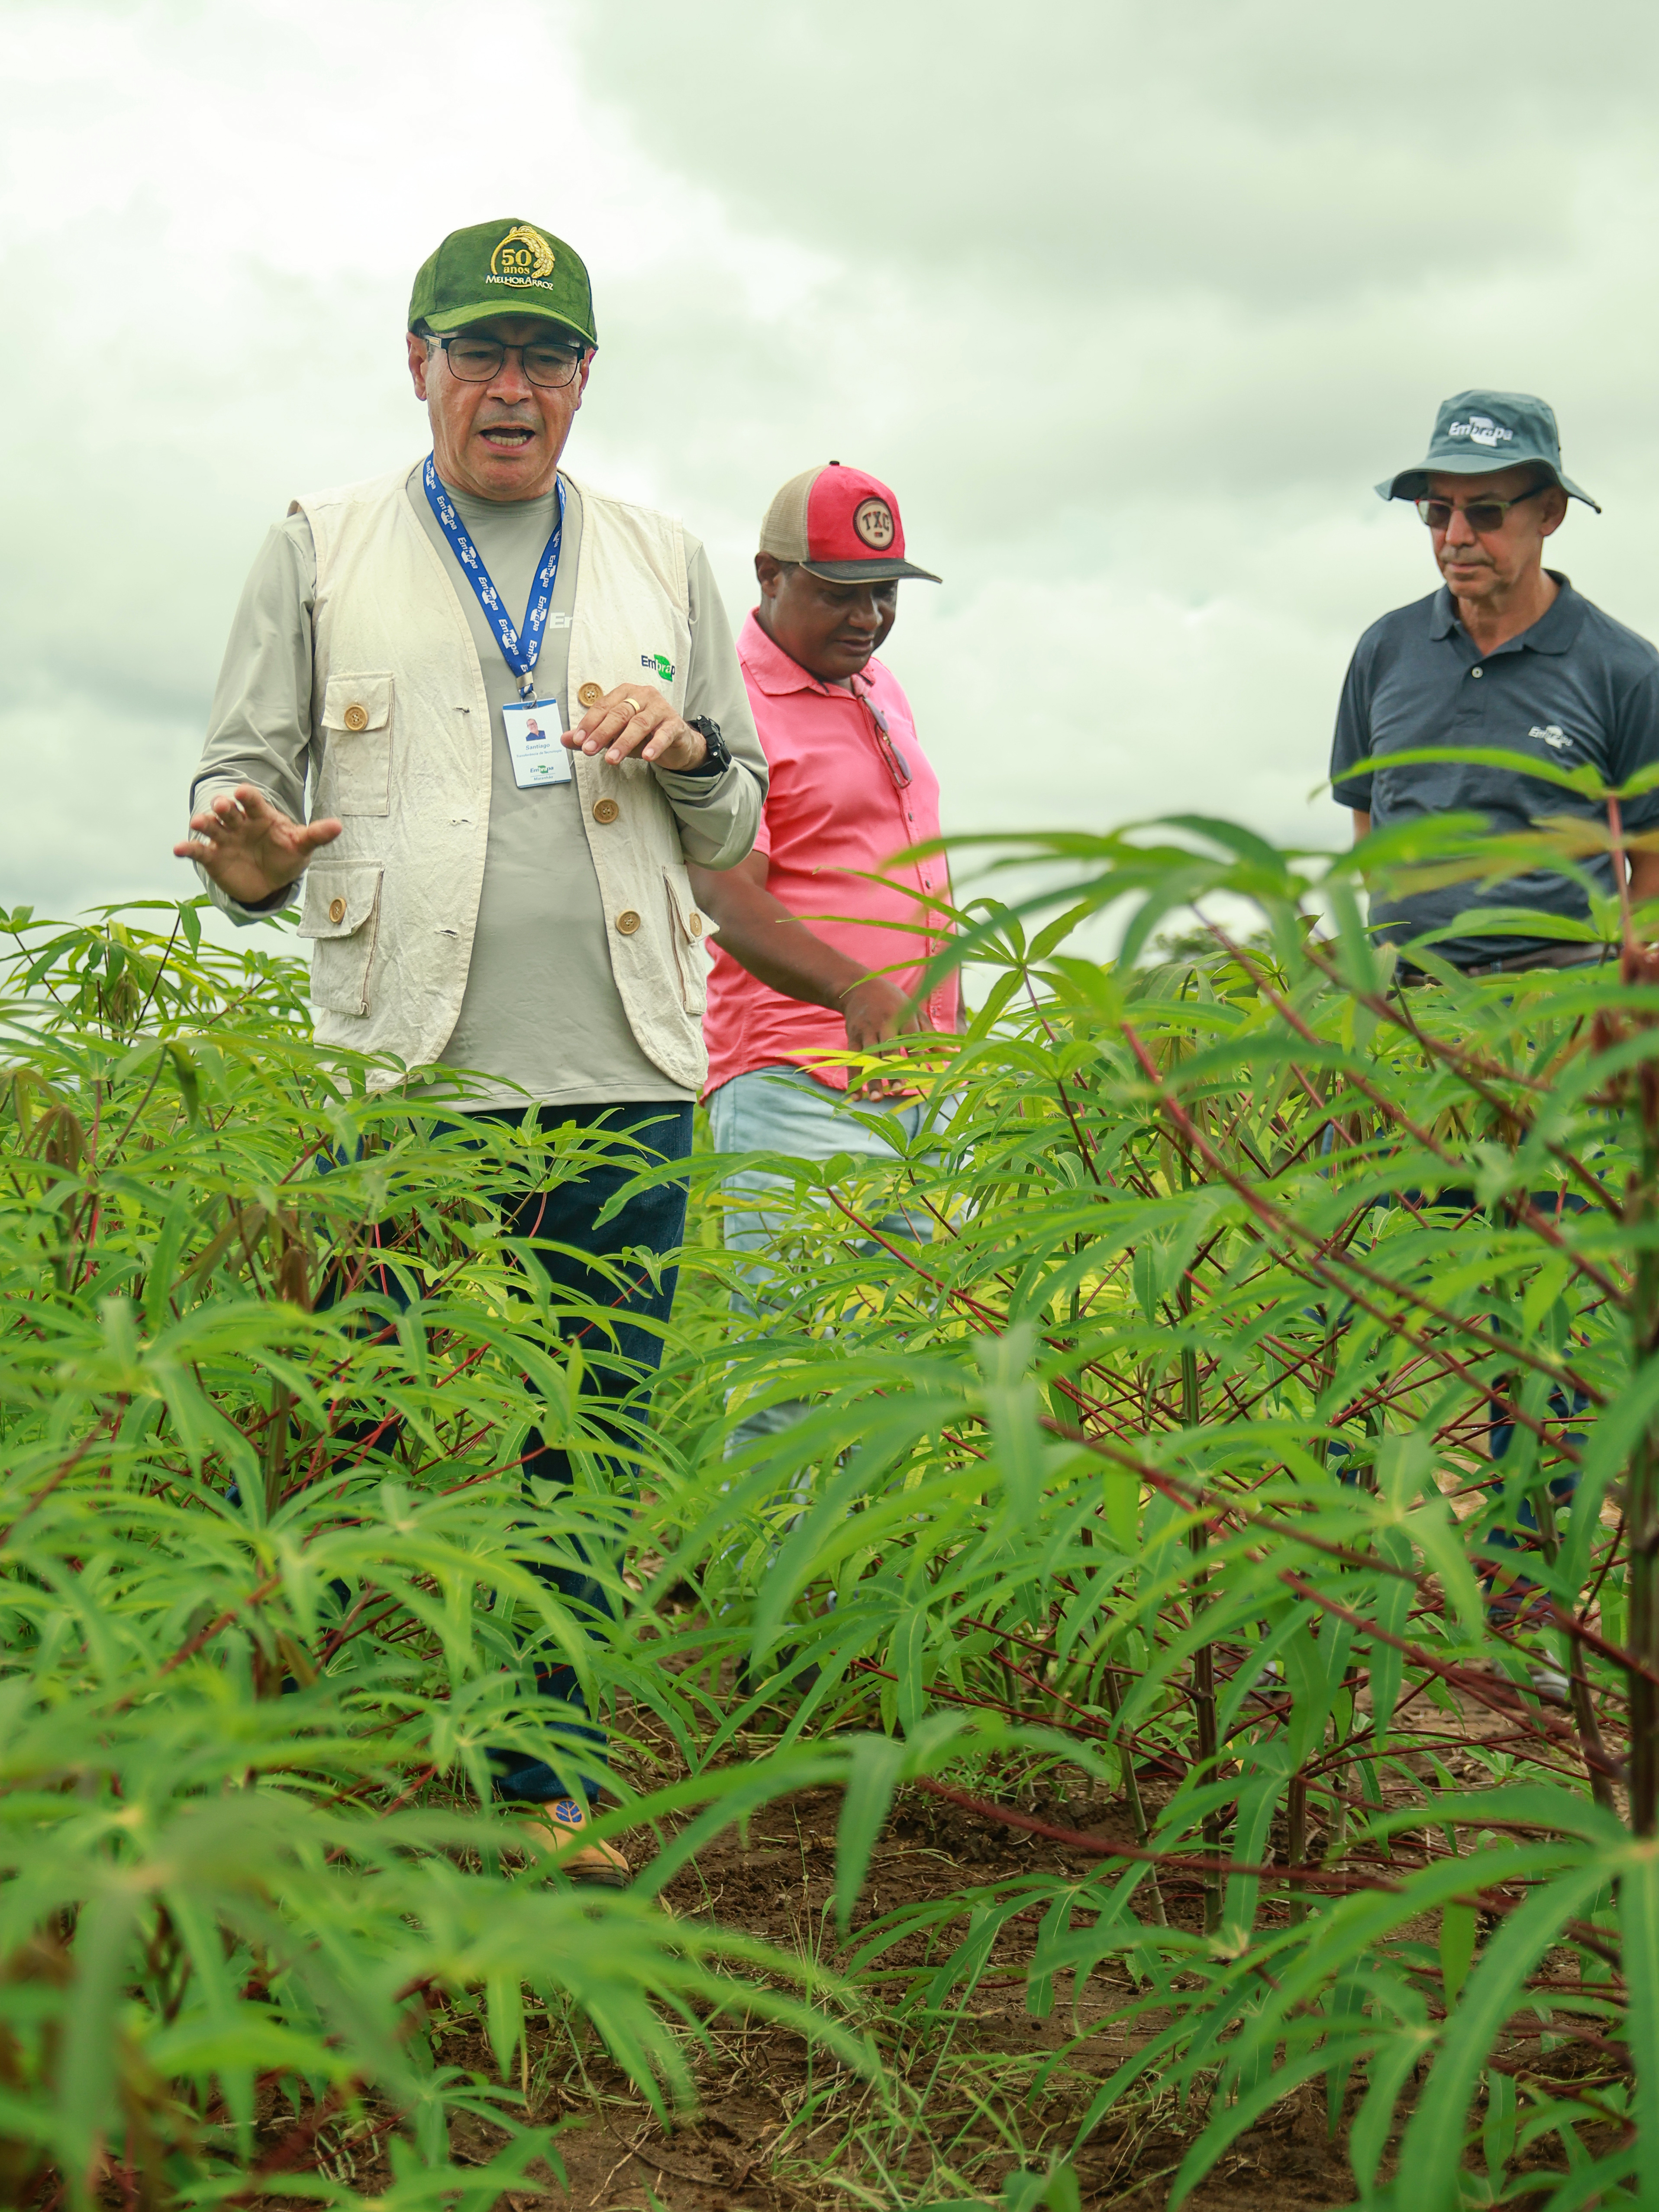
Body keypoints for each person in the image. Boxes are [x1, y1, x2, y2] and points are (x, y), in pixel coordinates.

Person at [175, 216, 766, 1882]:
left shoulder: (663, 560)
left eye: (547, 357)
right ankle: (335, 1747)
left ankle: (534, 1767)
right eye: (481, 351)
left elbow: (735, 825)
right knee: (361, 1405)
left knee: (587, 1427)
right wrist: (242, 862)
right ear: (416, 360)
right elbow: (236, 789)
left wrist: (695, 744)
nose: (513, 387)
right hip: (403, 1074)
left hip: (627, 1068)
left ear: (586, 381)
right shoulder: (319, 546)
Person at [689, 462, 957, 1462]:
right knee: (794, 1379)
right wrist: (851, 983)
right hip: (799, 1080)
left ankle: (873, 1601)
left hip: (915, 1078)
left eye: (883, 591)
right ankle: (775, 1609)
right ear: (767, 575)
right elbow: (720, 890)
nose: (869, 616)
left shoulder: (874, 680)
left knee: (902, 1370)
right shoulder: (731, 698)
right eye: (840, 592)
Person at [1330, 387, 1659, 976]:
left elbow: (1654, 867)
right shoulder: (1384, 650)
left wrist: (1604, 1000)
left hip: (1556, 1016)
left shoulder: (1626, 672)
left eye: (1486, 512)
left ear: (1550, 512)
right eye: (1437, 510)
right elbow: (1367, 821)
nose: (1455, 535)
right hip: (1407, 1017)